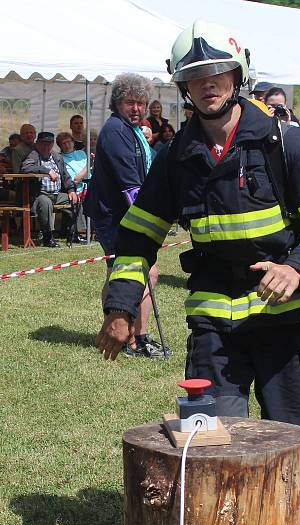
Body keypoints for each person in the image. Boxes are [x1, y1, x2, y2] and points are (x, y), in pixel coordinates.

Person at [95, 21, 300, 465]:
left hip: (287, 322)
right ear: (183, 86)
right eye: (194, 75)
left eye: (218, 70)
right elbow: (138, 237)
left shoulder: (286, 143)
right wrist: (120, 308)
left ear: (238, 75)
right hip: (214, 328)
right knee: (209, 449)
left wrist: (295, 268)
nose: (207, 82)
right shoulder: (175, 159)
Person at [85, 72, 168, 359]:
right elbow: (130, 184)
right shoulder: (115, 131)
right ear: (117, 103)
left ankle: (132, 334)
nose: (136, 108)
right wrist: (153, 216)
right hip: (114, 216)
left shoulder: (133, 131)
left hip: (127, 215)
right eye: (130, 102)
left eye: (141, 103)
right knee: (140, 273)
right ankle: (132, 338)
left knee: (138, 273)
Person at [21, 131, 82, 247]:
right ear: (37, 143)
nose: (46, 146)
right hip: (39, 194)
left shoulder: (57, 157)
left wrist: (71, 190)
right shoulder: (33, 154)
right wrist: (47, 171)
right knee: (45, 203)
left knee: (76, 200)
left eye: (49, 144)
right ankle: (47, 237)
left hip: (57, 194)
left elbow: (66, 176)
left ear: (53, 144)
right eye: (43, 143)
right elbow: (26, 168)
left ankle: (72, 234)